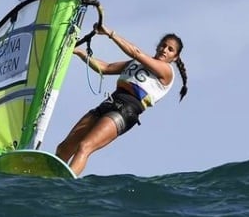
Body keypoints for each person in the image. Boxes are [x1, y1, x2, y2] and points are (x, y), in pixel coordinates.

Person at [56, 24, 188, 176]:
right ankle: (50, 180)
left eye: (170, 49)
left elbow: (135, 52)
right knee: (64, 148)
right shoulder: (137, 63)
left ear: (175, 57)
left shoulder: (167, 71)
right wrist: (79, 53)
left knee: (84, 146)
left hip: (126, 111)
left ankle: (67, 184)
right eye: (163, 45)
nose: (165, 50)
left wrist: (109, 33)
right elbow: (105, 67)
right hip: (110, 102)